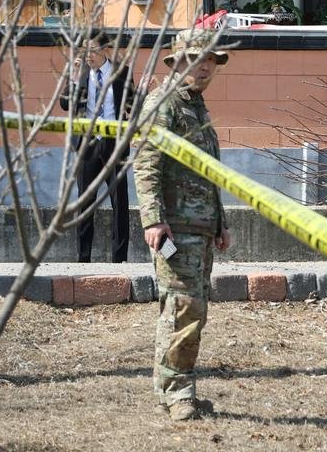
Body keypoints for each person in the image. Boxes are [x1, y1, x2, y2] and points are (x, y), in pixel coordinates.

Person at [134, 29, 230, 422]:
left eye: (210, 59)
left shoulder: (195, 106)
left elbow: (208, 171)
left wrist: (220, 221)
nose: (205, 66)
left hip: (200, 226)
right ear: (176, 63)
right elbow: (146, 162)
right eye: (196, 58)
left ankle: (169, 387)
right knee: (184, 308)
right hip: (175, 226)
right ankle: (179, 392)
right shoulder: (164, 103)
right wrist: (154, 218)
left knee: (186, 308)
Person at [63, 31, 133, 263]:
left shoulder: (122, 73)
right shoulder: (80, 74)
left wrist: (139, 100)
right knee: (84, 203)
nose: (87, 56)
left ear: (104, 49)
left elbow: (134, 106)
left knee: (120, 203)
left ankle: (119, 260)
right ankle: (83, 258)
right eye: (84, 51)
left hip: (115, 143)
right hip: (88, 143)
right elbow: (65, 104)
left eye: (91, 50)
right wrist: (72, 78)